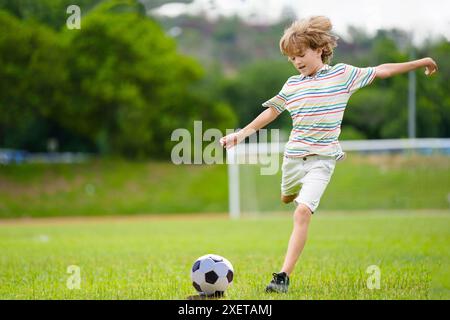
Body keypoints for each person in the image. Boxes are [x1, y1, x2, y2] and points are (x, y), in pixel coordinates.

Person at [219, 16, 438, 293]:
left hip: (322, 161)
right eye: (291, 58)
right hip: (293, 159)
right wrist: (241, 134)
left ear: (319, 49)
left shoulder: (343, 75)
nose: (297, 62)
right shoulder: (292, 85)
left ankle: (282, 276)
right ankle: (288, 193)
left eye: (301, 55)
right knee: (287, 196)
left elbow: (382, 70)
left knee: (301, 212)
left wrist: (422, 61)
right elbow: (271, 112)